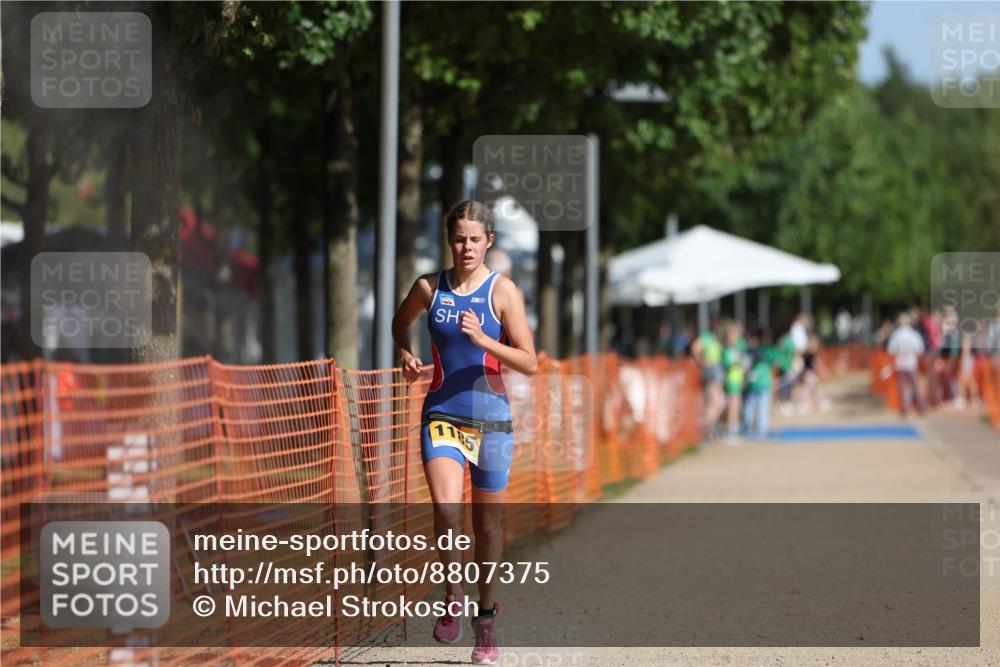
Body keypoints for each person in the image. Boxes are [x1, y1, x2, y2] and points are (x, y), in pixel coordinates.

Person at [392, 200, 537, 665]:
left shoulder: (504, 292)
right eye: (459, 239)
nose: (467, 247)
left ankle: (487, 620)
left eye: (475, 239)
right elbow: (401, 321)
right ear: (449, 240)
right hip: (442, 415)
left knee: (486, 527)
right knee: (446, 510)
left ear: (489, 242)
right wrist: (406, 352)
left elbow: (530, 363)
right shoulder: (429, 287)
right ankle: (453, 595)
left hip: (492, 419)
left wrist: (485, 341)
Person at [886, 312, 927, 416]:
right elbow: (920, 349)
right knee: (915, 386)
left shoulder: (897, 334)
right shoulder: (914, 334)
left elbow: (891, 350)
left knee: (903, 387)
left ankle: (905, 408)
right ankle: (921, 407)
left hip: (900, 364)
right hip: (911, 363)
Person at [691, 319, 724, 439]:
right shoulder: (706, 337)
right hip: (711, 371)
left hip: (716, 371)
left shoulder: (716, 338)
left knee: (717, 403)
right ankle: (704, 429)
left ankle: (709, 429)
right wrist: (702, 361)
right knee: (714, 402)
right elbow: (695, 349)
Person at [743, 328, 777, 439]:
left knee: (753, 406)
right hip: (759, 383)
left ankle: (751, 428)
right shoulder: (766, 351)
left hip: (758, 383)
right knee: (758, 407)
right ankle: (758, 429)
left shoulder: (752, 350)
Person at [720, 320, 746, 443]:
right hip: (731, 381)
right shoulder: (726, 350)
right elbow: (727, 364)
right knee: (732, 406)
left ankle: (734, 429)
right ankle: (730, 431)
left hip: (737, 381)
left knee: (737, 406)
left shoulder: (736, 348)